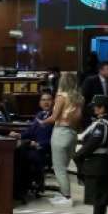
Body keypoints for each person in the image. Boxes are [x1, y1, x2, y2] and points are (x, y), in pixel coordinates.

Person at [75, 96, 108, 214]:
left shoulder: (101, 125)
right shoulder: (104, 123)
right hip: (100, 164)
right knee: (100, 200)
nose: (94, 108)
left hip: (98, 164)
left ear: (102, 108)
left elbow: (93, 144)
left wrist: (78, 155)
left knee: (99, 200)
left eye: (96, 106)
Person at [41, 72, 82, 206]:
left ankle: (66, 197)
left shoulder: (61, 96)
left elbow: (54, 117)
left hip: (61, 132)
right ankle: (66, 195)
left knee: (59, 168)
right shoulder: (79, 98)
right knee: (64, 166)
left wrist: (42, 122)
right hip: (72, 133)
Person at [11, 92, 54, 200]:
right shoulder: (39, 115)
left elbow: (55, 138)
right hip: (33, 146)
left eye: (48, 99)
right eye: (43, 100)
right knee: (17, 155)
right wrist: (19, 135)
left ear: (53, 102)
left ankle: (27, 187)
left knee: (24, 157)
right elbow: (30, 131)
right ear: (40, 103)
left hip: (44, 148)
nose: (46, 102)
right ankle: (21, 188)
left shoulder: (55, 116)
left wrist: (39, 144)